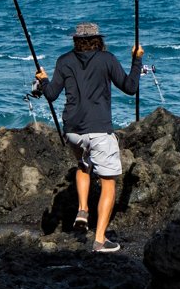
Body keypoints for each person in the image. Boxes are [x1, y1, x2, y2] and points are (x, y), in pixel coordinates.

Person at [30, 21, 143, 251]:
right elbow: (130, 87)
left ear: (76, 40)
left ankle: (83, 210)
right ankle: (100, 241)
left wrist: (42, 80)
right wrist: (136, 59)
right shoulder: (107, 59)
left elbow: (51, 95)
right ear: (98, 39)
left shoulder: (64, 61)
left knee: (83, 166)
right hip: (99, 130)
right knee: (109, 184)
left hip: (73, 132)